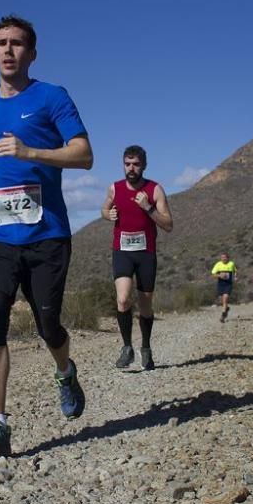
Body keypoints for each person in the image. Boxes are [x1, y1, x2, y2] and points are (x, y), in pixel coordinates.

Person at [0, 15, 93, 457]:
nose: (9, 50)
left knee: (48, 326)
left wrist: (30, 150)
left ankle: (65, 370)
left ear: (32, 53)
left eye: (17, 43)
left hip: (47, 235)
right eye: (1, 43)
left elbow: (84, 154)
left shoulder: (52, 97)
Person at [101, 145, 173, 371]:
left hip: (146, 253)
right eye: (127, 164)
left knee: (145, 305)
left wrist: (148, 207)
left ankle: (146, 347)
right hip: (122, 251)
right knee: (122, 300)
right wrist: (107, 214)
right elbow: (104, 209)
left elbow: (168, 224)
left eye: (136, 164)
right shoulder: (115, 188)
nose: (131, 168)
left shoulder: (155, 190)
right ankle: (126, 347)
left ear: (144, 165)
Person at [210, 252, 237, 323]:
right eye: (222, 257)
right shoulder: (218, 264)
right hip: (220, 284)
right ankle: (226, 308)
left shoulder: (231, 264)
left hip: (228, 284)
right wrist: (219, 276)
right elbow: (212, 275)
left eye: (225, 257)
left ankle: (223, 316)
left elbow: (235, 271)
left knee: (225, 298)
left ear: (228, 258)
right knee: (222, 301)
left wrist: (236, 276)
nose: (223, 258)